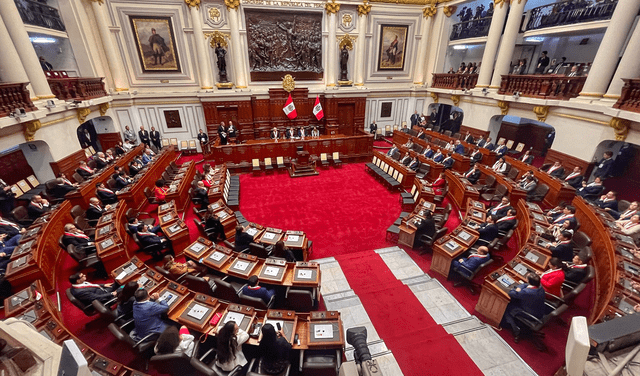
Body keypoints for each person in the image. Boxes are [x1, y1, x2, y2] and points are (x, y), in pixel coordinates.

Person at [501, 273, 546, 339]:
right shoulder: (540, 288)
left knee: (508, 306)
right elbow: (525, 285)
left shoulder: (527, 292)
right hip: (539, 312)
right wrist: (521, 287)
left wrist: (518, 288)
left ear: (528, 281)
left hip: (530, 314)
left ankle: (516, 329)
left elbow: (511, 293)